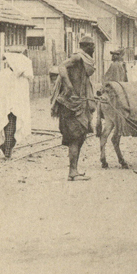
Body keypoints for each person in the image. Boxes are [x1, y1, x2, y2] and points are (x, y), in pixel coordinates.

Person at [51, 35, 96, 180]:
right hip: (71, 105)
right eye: (92, 46)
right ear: (86, 46)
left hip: (80, 103)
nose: (94, 49)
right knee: (75, 138)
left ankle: (74, 170)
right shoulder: (77, 57)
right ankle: (72, 172)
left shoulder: (85, 60)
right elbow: (61, 66)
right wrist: (69, 85)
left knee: (80, 137)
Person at [0, 48, 34, 159]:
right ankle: (7, 150)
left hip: (14, 107)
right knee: (8, 128)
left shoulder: (20, 77)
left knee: (12, 129)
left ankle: (6, 148)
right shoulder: (6, 74)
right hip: (8, 107)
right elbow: (0, 93)